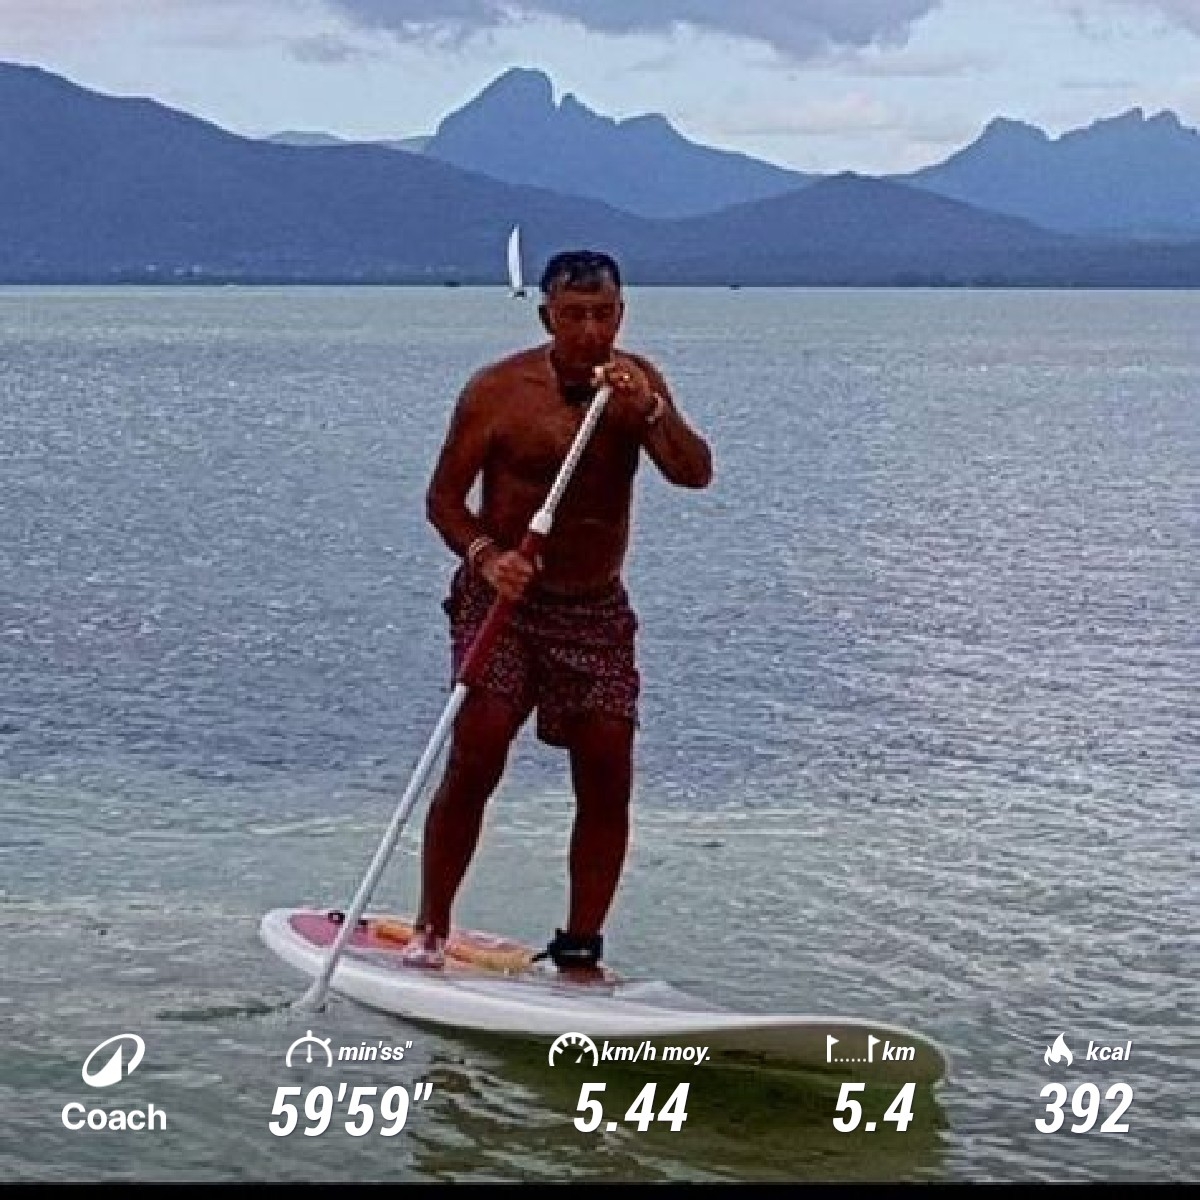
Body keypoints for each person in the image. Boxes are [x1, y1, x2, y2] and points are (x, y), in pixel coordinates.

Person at [403, 249, 713, 972]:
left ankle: (580, 947)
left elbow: (695, 473)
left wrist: (653, 412)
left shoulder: (638, 386)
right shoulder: (497, 390)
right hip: (504, 601)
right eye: (574, 316)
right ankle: (430, 927)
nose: (591, 331)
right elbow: (443, 500)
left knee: (607, 765)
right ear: (548, 317)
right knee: (477, 750)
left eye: (604, 315)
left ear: (621, 313)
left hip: (594, 608)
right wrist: (487, 555)